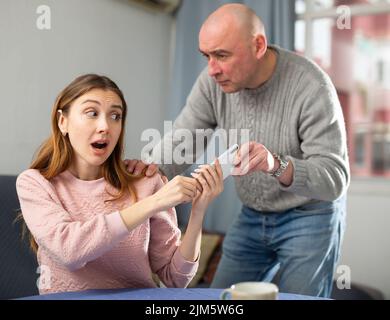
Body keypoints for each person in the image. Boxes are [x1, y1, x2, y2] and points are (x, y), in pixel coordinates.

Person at [126, 3, 350, 298]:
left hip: (310, 214)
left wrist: (276, 164)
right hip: (253, 214)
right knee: (222, 300)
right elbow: (184, 138)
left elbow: (334, 178)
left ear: (258, 45)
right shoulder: (212, 83)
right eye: (206, 56)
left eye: (221, 55)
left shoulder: (311, 86)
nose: (212, 70)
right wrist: (146, 173)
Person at [16, 74, 224, 294]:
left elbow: (175, 279)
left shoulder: (145, 181)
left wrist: (198, 211)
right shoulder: (35, 183)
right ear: (62, 121)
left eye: (115, 116)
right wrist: (152, 203)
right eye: (92, 113)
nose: (105, 126)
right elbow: (70, 251)